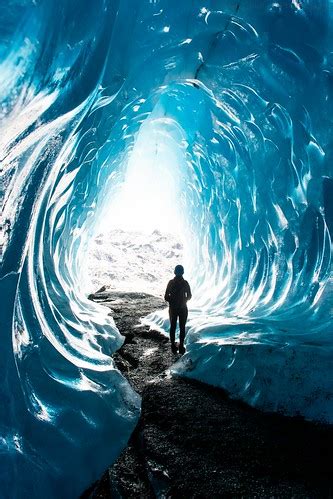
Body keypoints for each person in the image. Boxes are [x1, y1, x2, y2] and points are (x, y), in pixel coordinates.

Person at [164, 265, 192, 354]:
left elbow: (166, 296)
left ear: (175, 272)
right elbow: (190, 296)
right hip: (183, 308)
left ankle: (173, 345)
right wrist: (183, 300)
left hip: (173, 308)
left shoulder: (171, 283)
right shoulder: (185, 283)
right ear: (183, 272)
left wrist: (172, 301)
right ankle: (181, 346)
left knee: (173, 326)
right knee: (182, 327)